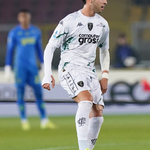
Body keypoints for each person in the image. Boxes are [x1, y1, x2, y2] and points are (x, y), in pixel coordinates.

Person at [42, 0, 110, 150]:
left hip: (90, 72)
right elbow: (50, 47)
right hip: (70, 69)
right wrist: (47, 74)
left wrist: (105, 76)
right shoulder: (69, 21)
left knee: (98, 113)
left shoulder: (103, 24)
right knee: (86, 100)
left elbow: (105, 51)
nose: (105, 1)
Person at [4, 9, 56, 131]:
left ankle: (44, 120)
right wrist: (8, 67)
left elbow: (39, 49)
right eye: (22, 17)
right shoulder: (14, 33)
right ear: (19, 18)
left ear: (29, 17)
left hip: (33, 68)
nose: (24, 19)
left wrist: (44, 65)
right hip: (19, 68)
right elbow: (10, 51)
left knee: (39, 93)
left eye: (26, 17)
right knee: (20, 94)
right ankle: (24, 121)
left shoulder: (35, 31)